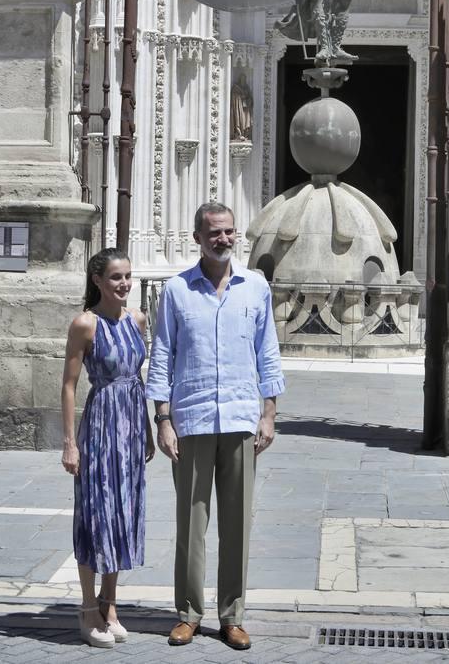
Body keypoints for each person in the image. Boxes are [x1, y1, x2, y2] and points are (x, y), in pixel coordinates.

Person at [146, 202, 284, 651]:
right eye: (214, 233)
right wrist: (163, 419)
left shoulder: (255, 287)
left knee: (237, 523)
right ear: (196, 237)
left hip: (242, 418)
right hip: (192, 417)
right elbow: (162, 354)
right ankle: (187, 613)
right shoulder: (176, 290)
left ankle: (233, 615)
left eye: (229, 232)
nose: (223, 239)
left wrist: (269, 412)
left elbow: (268, 352)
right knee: (191, 522)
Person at [61, 248, 154, 649]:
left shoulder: (137, 320)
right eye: (116, 277)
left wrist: (149, 429)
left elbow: (139, 379)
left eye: (128, 276)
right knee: (95, 514)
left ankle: (110, 604)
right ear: (98, 280)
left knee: (124, 512)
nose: (124, 284)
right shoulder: (85, 324)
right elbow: (68, 385)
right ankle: (86, 607)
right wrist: (69, 443)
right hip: (99, 426)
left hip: (132, 426)